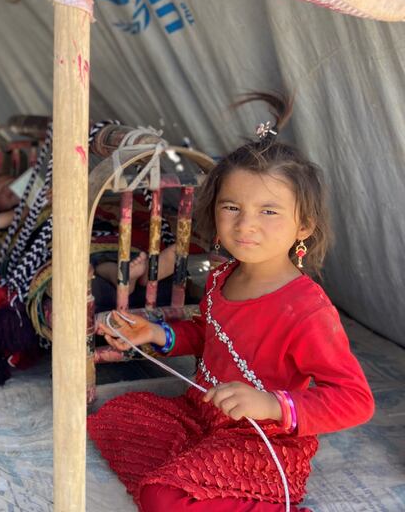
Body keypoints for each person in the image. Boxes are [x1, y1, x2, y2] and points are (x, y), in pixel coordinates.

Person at [89, 94, 374, 511]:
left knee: (163, 497)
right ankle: (197, 468)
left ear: (304, 225)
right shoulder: (223, 274)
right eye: (232, 207)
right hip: (201, 413)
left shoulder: (306, 309)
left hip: (260, 438)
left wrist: (272, 404)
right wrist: (155, 332)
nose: (246, 224)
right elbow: (209, 337)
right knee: (118, 415)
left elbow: (356, 399)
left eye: (269, 211)